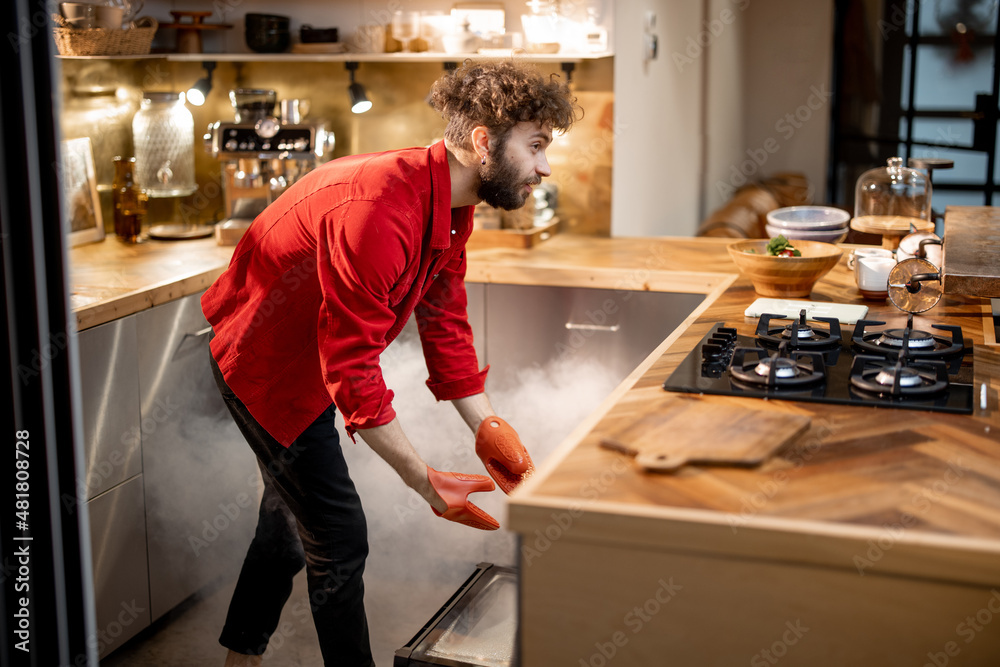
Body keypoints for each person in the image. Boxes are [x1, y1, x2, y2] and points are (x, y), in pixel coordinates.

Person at [201, 59, 581, 666]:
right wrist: (423, 479)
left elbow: (445, 322)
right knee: (338, 540)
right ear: (483, 143)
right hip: (266, 374)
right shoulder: (378, 209)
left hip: (312, 368)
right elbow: (350, 369)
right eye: (535, 146)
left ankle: (237, 660)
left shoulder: (453, 202)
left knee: (286, 527)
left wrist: (488, 427)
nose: (545, 166)